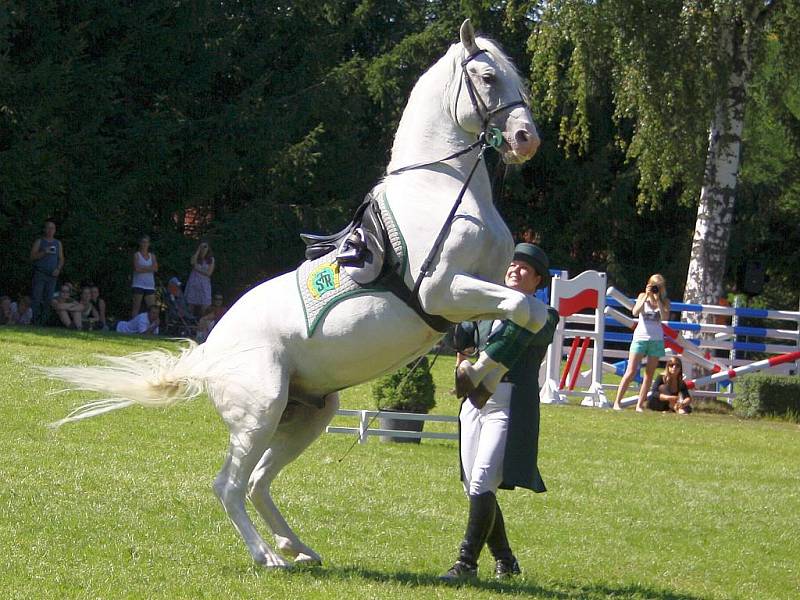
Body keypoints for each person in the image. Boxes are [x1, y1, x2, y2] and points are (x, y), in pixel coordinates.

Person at [441, 244, 560, 582]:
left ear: (537, 281)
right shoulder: (486, 310)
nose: (515, 269)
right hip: (473, 404)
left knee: (482, 482)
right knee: (474, 487)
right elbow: (460, 342)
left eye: (525, 268)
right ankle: (506, 560)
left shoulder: (543, 314)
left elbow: (515, 334)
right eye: (513, 264)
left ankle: (466, 564)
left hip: (508, 402)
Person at [612, 274, 670, 412]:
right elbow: (635, 312)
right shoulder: (642, 296)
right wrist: (646, 297)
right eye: (654, 286)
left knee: (649, 374)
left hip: (656, 340)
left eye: (659, 287)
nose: (656, 289)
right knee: (631, 371)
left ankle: (639, 405)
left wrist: (658, 301)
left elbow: (665, 317)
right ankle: (617, 402)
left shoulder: (666, 301)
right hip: (640, 338)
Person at [30, 219, 64, 325]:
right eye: (48, 228)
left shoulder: (58, 243)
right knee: (37, 297)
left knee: (49, 299)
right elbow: (32, 257)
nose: (50, 230)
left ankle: (44, 322)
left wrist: (58, 268)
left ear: (55, 230)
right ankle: (35, 321)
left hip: (52, 275)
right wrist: (44, 252)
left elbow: (61, 258)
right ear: (45, 229)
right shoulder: (40, 241)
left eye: (52, 228)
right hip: (40, 274)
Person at [184, 241, 215, 317]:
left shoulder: (211, 259)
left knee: (205, 305)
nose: (204, 249)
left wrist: (198, 269)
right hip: (194, 283)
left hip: (204, 284)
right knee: (191, 304)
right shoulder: (196, 257)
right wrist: (198, 250)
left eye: (205, 247)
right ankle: (190, 321)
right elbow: (192, 262)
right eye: (202, 247)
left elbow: (209, 273)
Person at [131, 235, 158, 317]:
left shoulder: (152, 256)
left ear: (149, 244)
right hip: (138, 284)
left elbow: (155, 268)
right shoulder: (137, 255)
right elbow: (137, 269)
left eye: (146, 242)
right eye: (143, 242)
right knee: (136, 307)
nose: (145, 244)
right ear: (140, 243)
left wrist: (143, 268)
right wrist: (149, 268)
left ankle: (152, 327)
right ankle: (133, 325)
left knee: (152, 308)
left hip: (149, 285)